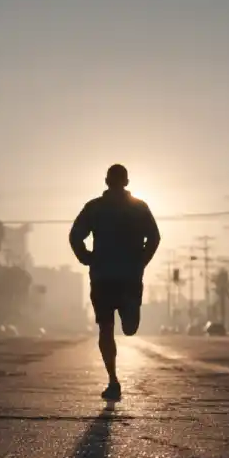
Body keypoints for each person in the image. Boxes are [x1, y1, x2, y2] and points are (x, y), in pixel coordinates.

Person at [69, 164, 161, 400]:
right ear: (126, 182)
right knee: (119, 328)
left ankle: (112, 379)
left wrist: (86, 257)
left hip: (105, 276)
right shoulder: (137, 208)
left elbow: (75, 235)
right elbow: (154, 237)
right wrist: (141, 261)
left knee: (106, 329)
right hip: (123, 276)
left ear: (107, 181)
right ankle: (113, 381)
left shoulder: (95, 208)